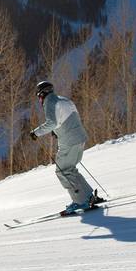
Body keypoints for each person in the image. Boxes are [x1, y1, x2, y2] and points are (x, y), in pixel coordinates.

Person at [29, 81, 100, 214]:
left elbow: (52, 122)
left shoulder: (49, 102)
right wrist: (57, 131)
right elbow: (69, 118)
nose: (39, 99)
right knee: (70, 169)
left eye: (39, 96)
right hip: (80, 138)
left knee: (62, 171)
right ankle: (89, 196)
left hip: (69, 141)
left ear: (42, 94)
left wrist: (35, 132)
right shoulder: (64, 100)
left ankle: (80, 201)